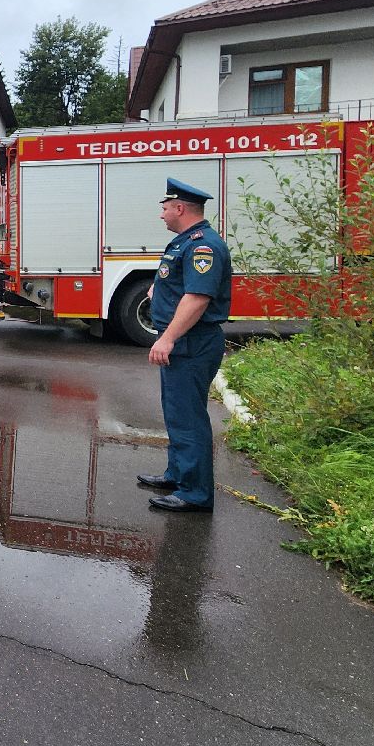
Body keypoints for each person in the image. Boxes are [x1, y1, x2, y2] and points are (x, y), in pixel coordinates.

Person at [138, 178, 233, 513]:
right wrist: (158, 290)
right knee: (177, 413)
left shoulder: (203, 246)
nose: (161, 214)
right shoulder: (186, 242)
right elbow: (179, 284)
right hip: (186, 342)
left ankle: (194, 493)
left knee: (188, 417)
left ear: (180, 208)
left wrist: (168, 338)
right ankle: (178, 474)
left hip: (192, 342)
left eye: (165, 208)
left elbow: (197, 298)